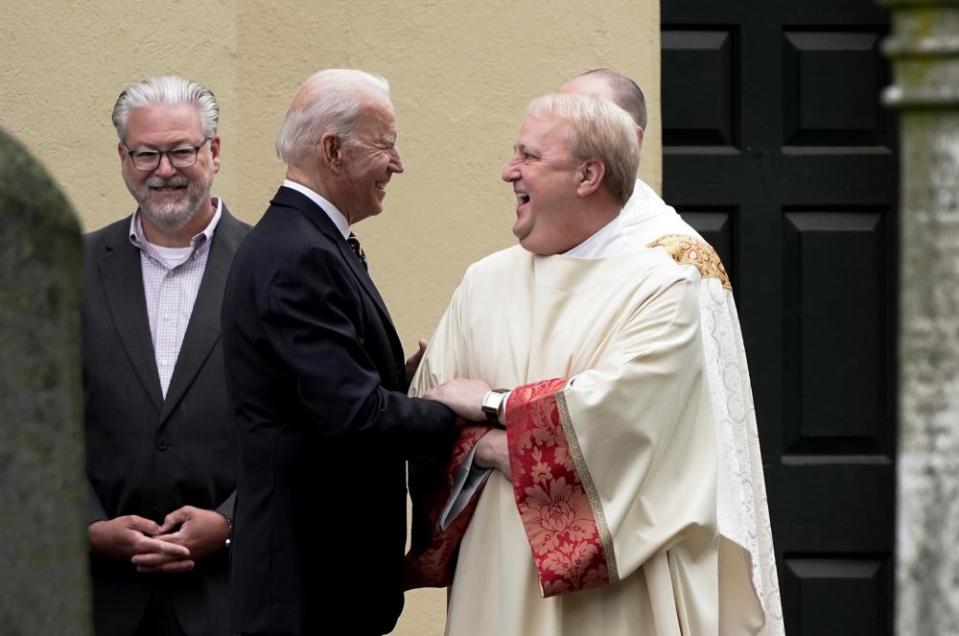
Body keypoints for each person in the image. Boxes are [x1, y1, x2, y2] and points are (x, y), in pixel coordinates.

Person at [404, 93, 774, 635]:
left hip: (614, 600)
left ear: (588, 175)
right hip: (496, 577)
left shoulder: (663, 287)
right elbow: (427, 415)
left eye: (529, 157)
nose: (509, 171)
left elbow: (618, 422)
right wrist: (494, 442)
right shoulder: (483, 282)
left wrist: (489, 413)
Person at [221, 69, 459, 636]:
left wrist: (404, 380)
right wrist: (459, 409)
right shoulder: (300, 254)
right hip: (309, 588)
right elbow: (353, 415)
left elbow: (324, 390)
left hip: (321, 582)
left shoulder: (306, 241)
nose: (397, 164)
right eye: (387, 145)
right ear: (333, 149)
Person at [560, 67, 785, 635]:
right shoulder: (558, 244)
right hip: (567, 515)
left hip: (651, 520)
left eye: (584, 124)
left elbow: (688, 420)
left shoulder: (678, 260)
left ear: (629, 142)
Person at [83, 75, 248, 636]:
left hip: (233, 594)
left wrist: (230, 522)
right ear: (123, 158)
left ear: (215, 151)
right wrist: (85, 525)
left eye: (180, 150)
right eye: (146, 153)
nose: (164, 169)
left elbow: (303, 424)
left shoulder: (273, 265)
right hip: (98, 598)